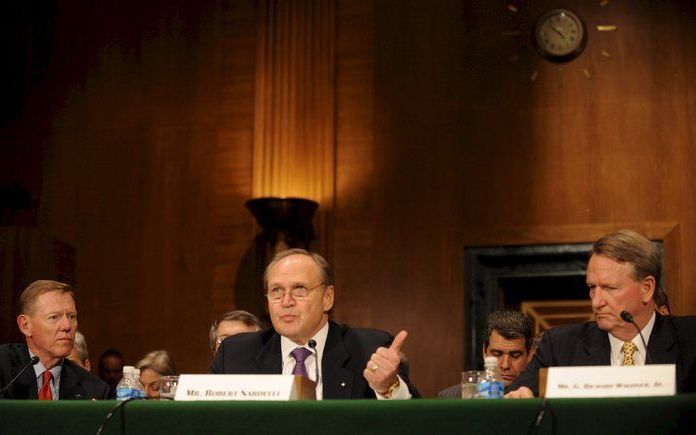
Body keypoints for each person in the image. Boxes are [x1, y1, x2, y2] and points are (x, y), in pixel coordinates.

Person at [507, 229, 696, 398]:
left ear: (647, 288)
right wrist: (520, 401)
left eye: (609, 288)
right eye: (592, 287)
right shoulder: (559, 346)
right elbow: (512, 401)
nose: (596, 302)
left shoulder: (690, 340)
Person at [210, 249, 420, 399]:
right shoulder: (236, 353)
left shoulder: (369, 349)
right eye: (276, 291)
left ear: (327, 297)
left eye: (299, 289)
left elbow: (418, 424)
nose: (286, 302)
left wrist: (388, 389)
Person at [0, 280, 110, 400]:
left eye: (71, 316)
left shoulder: (94, 389)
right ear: (25, 325)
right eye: (54, 317)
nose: (67, 326)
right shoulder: (3, 366)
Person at [438, 310, 533, 398]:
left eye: (515, 355)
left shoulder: (541, 398)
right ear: (484, 352)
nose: (505, 365)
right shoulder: (451, 397)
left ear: (529, 355)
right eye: (496, 354)